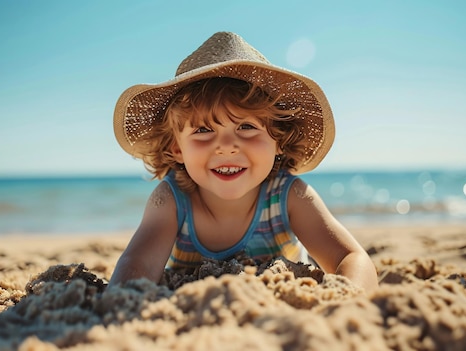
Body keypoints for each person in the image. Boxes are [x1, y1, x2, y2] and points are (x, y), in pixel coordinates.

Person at [109, 32, 378, 293]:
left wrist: (348, 298)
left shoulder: (289, 196)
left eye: (247, 126)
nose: (226, 146)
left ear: (278, 140)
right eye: (203, 131)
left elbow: (352, 257)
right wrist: (120, 303)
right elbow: (138, 264)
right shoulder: (171, 200)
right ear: (176, 148)